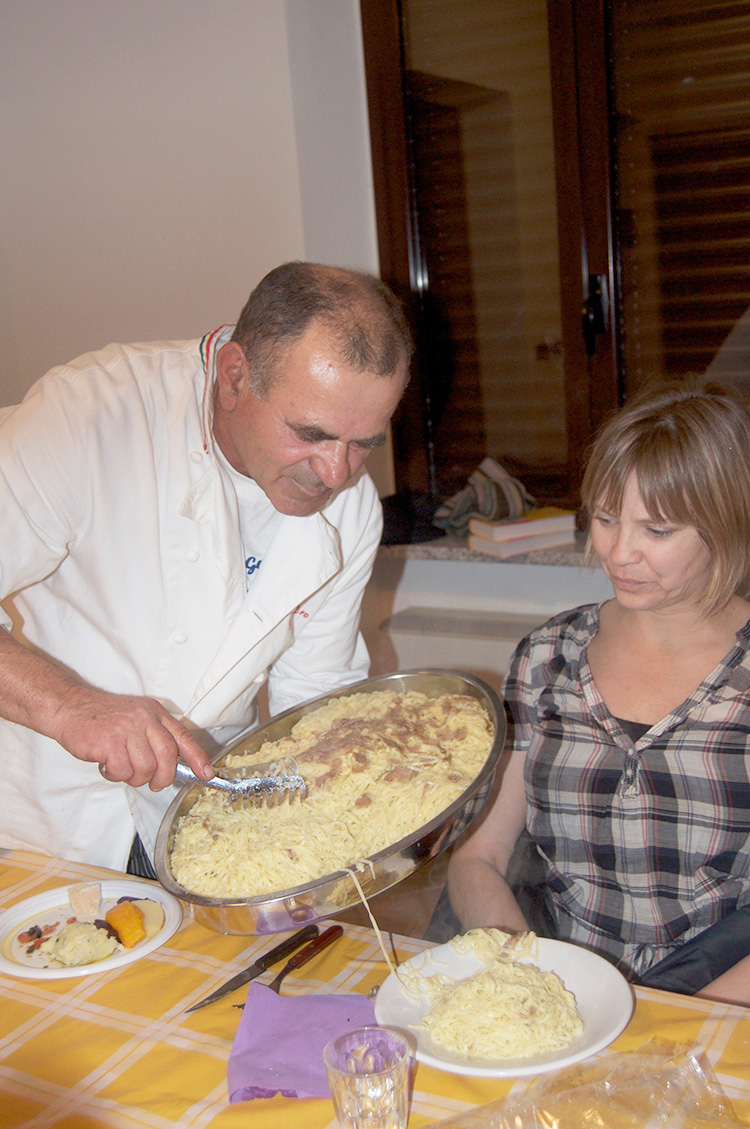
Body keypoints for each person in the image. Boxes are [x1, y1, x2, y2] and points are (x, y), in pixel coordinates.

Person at [0, 261, 411, 875]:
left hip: (195, 818)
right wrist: (70, 707)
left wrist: (359, 815)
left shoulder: (349, 510)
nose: (335, 473)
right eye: (311, 433)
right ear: (233, 377)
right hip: (37, 819)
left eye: (365, 443)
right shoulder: (90, 416)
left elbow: (316, 704)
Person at [447, 380, 750, 1004]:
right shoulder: (547, 657)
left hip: (719, 995)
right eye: (607, 519)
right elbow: (479, 858)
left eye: (657, 530)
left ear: (725, 526)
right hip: (562, 980)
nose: (619, 552)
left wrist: (678, 1021)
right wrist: (530, 979)